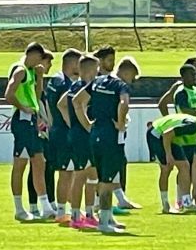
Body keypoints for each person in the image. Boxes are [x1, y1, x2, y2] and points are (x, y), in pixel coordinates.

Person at [74, 56, 140, 234]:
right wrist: (120, 123)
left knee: (105, 177)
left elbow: (77, 102)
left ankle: (108, 216)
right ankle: (104, 222)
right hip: (111, 136)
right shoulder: (120, 86)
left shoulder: (97, 81)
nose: (132, 81)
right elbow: (123, 104)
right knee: (107, 181)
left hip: (95, 134)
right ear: (127, 72)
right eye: (132, 77)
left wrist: (88, 124)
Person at [5, 42, 55, 221]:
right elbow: (8, 94)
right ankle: (22, 208)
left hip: (32, 120)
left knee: (37, 162)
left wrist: (40, 77)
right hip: (22, 120)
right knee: (24, 164)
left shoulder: (32, 72)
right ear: (33, 55)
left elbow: (37, 94)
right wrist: (23, 107)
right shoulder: (20, 70)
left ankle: (45, 206)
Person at [147, 113, 196, 213]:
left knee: (185, 166)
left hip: (171, 139)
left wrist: (194, 190)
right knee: (166, 168)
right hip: (157, 134)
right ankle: (165, 205)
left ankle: (186, 203)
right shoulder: (194, 127)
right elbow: (167, 133)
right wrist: (168, 154)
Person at [94, 45, 139, 211]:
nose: (112, 64)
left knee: (117, 162)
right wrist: (121, 123)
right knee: (105, 166)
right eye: (109, 60)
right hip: (105, 130)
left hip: (107, 130)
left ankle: (118, 199)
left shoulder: (107, 82)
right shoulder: (99, 82)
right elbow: (122, 104)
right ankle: (100, 204)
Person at [58, 54, 100, 229]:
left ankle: (89, 214)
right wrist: (87, 126)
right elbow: (78, 106)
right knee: (81, 174)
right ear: (91, 70)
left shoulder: (74, 86)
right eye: (97, 70)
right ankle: (76, 216)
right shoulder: (85, 88)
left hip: (77, 133)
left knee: (92, 175)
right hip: (82, 136)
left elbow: (61, 104)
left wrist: (71, 123)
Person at [44, 48, 81, 222]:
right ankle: (61, 212)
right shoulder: (64, 84)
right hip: (64, 133)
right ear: (72, 63)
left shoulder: (55, 80)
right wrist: (73, 126)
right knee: (67, 173)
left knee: (69, 172)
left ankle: (71, 209)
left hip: (57, 131)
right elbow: (63, 106)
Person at [26, 50, 56, 217]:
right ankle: (34, 206)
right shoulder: (31, 78)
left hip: (45, 130)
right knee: (37, 168)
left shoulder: (41, 83)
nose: (49, 66)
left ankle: (48, 204)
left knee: (46, 167)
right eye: (48, 62)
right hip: (38, 130)